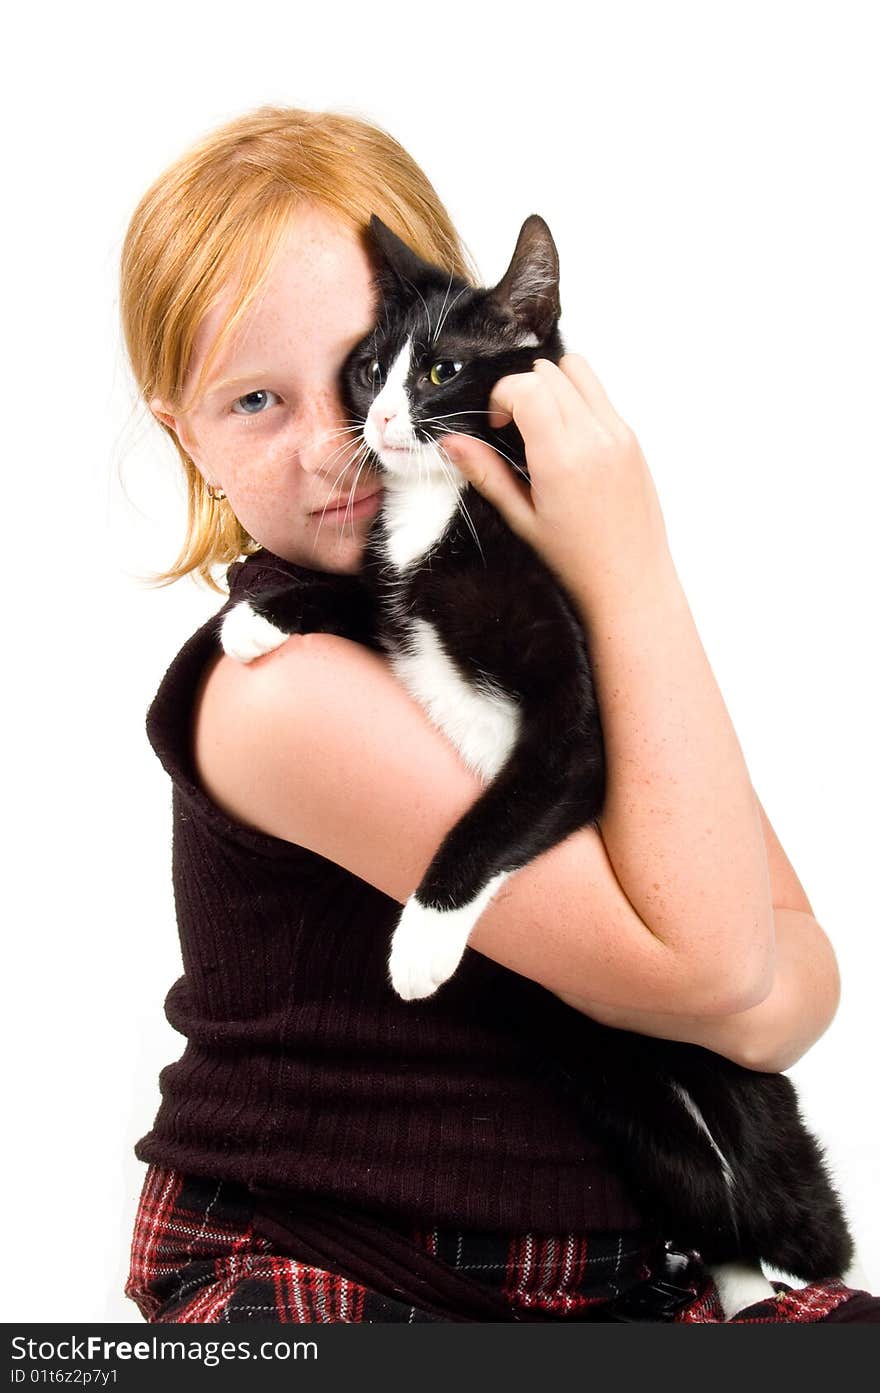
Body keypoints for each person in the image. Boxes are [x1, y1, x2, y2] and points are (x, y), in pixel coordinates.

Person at [119, 104, 878, 1323]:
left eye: (370, 365)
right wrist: (626, 565)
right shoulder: (277, 688)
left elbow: (791, 986)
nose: (344, 442)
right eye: (255, 400)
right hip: (328, 1250)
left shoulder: (516, 601)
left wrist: (608, 568)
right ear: (184, 436)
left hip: (617, 1276)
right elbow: (724, 965)